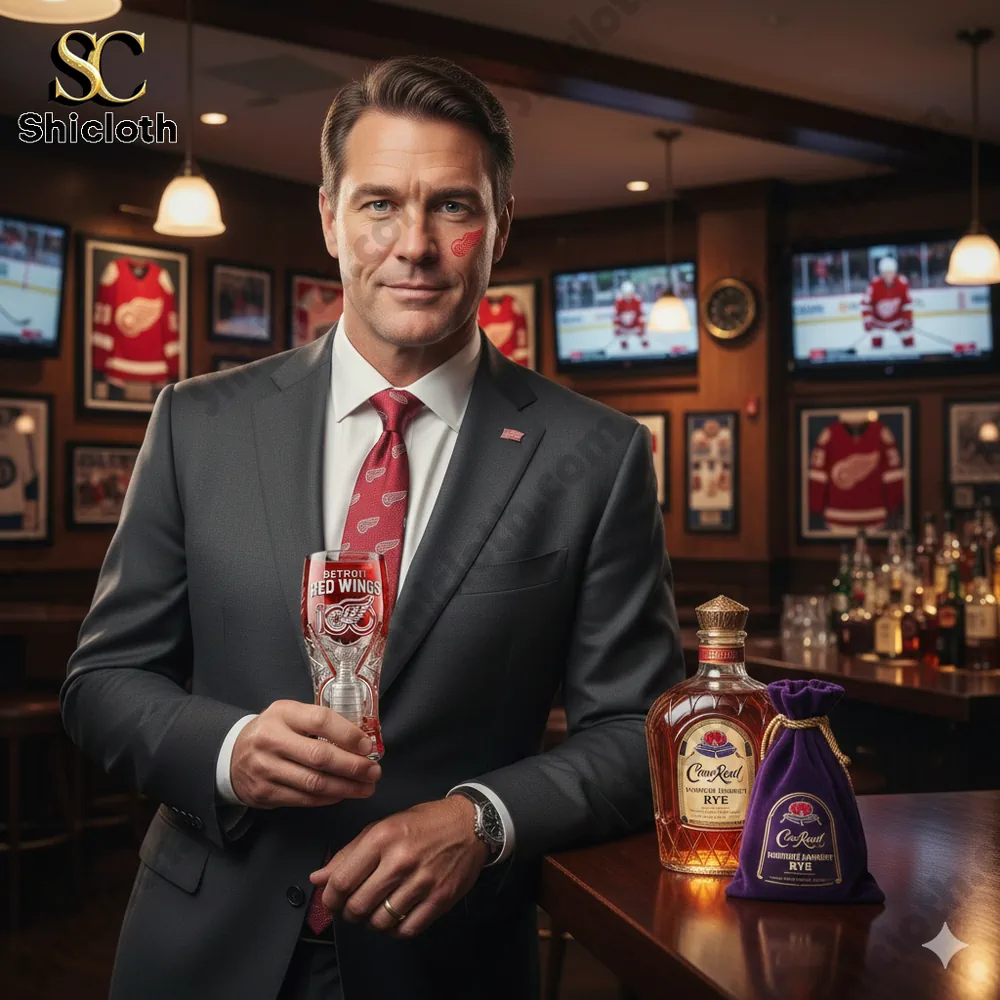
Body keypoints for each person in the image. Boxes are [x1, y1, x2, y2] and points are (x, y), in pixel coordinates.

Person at [61, 55, 683, 1000]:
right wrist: (226, 750)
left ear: (500, 227)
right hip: (201, 942)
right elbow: (102, 682)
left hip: (447, 957)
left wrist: (483, 817)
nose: (415, 245)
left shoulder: (594, 457)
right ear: (330, 216)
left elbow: (638, 732)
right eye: (380, 203)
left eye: (454, 207)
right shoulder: (199, 422)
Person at [861, 256, 914, 350]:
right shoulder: (874, 285)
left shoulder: (902, 283)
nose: (889, 276)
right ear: (881, 274)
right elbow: (866, 304)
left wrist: (908, 319)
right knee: (876, 341)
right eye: (886, 273)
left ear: (895, 272)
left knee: (908, 339)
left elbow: (907, 304)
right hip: (878, 321)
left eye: (891, 272)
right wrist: (867, 320)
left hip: (897, 320)